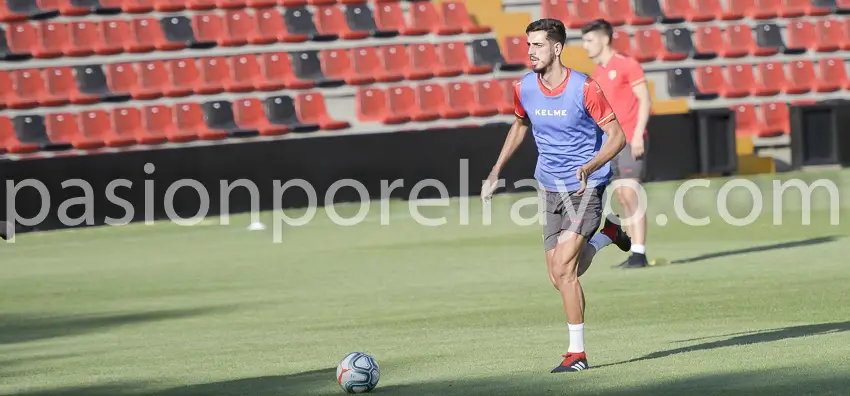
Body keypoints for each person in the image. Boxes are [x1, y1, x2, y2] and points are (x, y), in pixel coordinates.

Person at [480, 18, 632, 373]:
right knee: (558, 275)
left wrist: (591, 166)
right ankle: (608, 236)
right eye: (528, 45)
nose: (530, 51)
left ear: (557, 48)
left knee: (564, 270)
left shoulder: (585, 88)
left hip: (585, 188)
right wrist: (496, 171)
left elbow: (617, 137)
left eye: (538, 45)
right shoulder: (524, 87)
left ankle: (577, 354)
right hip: (549, 187)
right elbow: (520, 125)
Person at [581, 19, 653, 269]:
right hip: (612, 143)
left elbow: (645, 100)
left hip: (631, 139)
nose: (585, 45)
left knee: (631, 194)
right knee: (622, 196)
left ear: (604, 39)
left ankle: (640, 253)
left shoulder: (627, 64)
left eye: (589, 40)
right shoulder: (598, 73)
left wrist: (638, 134)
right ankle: (635, 252)